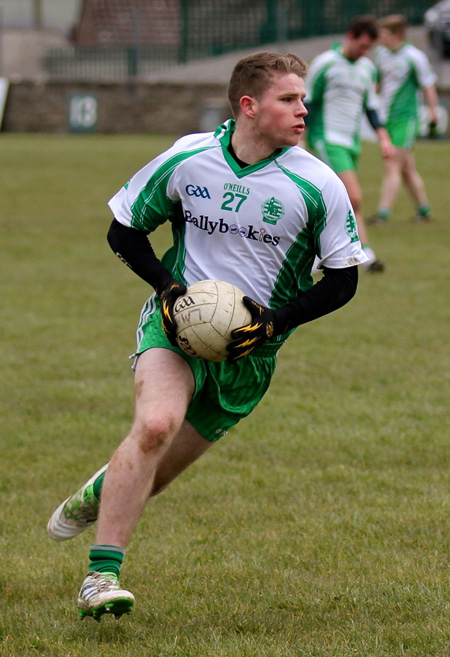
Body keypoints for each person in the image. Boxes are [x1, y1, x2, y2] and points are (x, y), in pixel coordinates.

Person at [47, 51, 369, 622]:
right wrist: (170, 290)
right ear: (249, 106)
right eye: (289, 100)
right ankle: (102, 575)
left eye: (303, 99)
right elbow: (125, 233)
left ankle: (97, 494)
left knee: (159, 469)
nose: (304, 110)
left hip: (250, 355)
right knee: (154, 426)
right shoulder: (189, 157)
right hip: (174, 327)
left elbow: (343, 281)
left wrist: (273, 322)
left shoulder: (317, 183)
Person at [304, 15, 394, 272]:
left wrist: (383, 137)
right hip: (327, 138)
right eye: (362, 46)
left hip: (351, 143)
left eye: (369, 49)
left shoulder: (367, 68)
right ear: (350, 37)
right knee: (352, 197)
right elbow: (307, 103)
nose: (365, 52)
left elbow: (371, 106)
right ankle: (362, 252)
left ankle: (349, 254)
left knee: (336, 200)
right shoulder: (325, 63)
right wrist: (299, 138)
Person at [367, 14, 439, 224]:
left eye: (384, 35)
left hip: (406, 119)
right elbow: (378, 85)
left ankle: (382, 214)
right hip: (387, 117)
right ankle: (425, 211)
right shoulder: (381, 55)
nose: (380, 39)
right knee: (407, 168)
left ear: (397, 35)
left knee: (392, 164)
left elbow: (428, 85)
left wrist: (432, 111)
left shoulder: (414, 57)